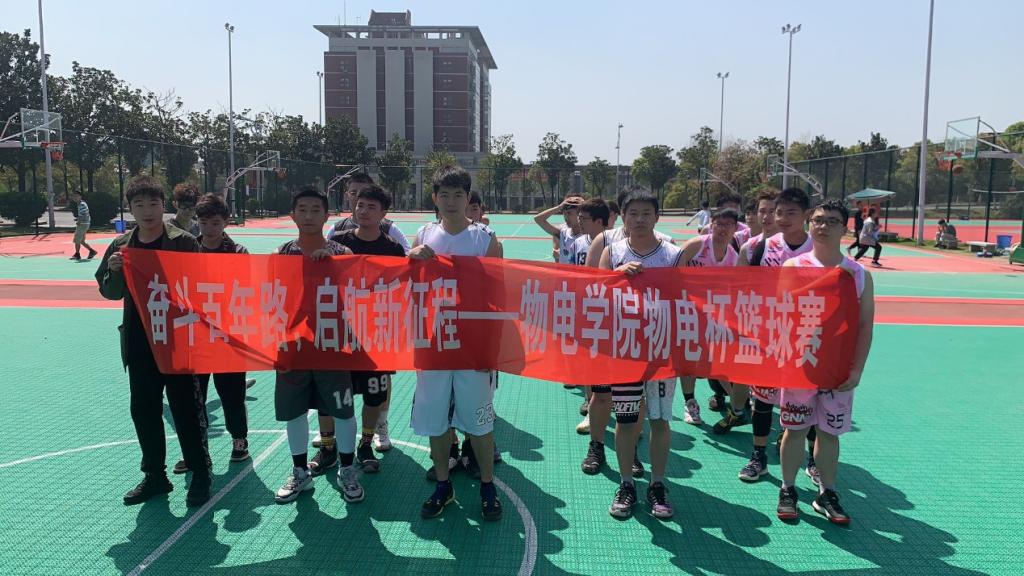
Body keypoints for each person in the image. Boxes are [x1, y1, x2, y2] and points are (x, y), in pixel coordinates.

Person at [95, 175, 211, 507]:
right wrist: (115, 271)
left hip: (177, 340)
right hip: (140, 339)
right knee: (144, 409)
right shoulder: (121, 246)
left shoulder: (184, 242)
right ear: (130, 209)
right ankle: (155, 476)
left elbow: (202, 285)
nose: (147, 211)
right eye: (139, 204)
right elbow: (109, 292)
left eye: (153, 203)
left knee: (185, 409)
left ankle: (200, 472)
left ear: (164, 206)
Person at [408, 165, 503, 520]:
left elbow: (497, 296)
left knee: (480, 421)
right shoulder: (423, 235)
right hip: (434, 343)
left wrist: (490, 350)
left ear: (468, 198)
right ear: (434, 198)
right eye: (444, 195)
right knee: (436, 421)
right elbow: (408, 286)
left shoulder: (485, 240)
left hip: (472, 346)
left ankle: (488, 486)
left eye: (458, 195)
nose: (451, 201)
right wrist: (410, 260)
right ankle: (443, 485)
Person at [777, 199, 875, 525]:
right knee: (794, 429)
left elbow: (864, 325)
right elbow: (779, 316)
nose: (823, 226)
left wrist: (856, 369)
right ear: (810, 224)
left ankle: (826, 492)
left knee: (829, 433)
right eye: (818, 220)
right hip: (801, 366)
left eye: (832, 221)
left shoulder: (857, 275)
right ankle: (788, 488)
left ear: (845, 228)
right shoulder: (793, 268)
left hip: (838, 371)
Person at [711, 187, 818, 485]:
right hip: (767, 335)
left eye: (789, 212)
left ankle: (813, 459)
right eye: (776, 212)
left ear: (806, 215)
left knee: (807, 399)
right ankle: (758, 456)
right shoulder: (757, 248)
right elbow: (739, 289)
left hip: (806, 336)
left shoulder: (818, 248)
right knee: (763, 399)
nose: (780, 218)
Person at [272, 186, 364, 505]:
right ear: (292, 215)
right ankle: (300, 473)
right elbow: (271, 299)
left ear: (326, 216)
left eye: (315, 210)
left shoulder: (342, 253)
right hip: (293, 345)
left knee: (342, 410)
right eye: (302, 209)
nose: (308, 215)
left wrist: (334, 267)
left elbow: (357, 293)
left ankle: (347, 470)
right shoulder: (282, 254)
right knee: (294, 411)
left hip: (332, 346)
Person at [599, 189, 683, 520]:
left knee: (660, 420)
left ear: (657, 217)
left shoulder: (673, 254)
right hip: (625, 350)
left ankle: (657, 484)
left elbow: (685, 299)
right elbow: (596, 296)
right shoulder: (613, 253)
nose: (639, 219)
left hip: (661, 352)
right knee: (626, 420)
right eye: (632, 213)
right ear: (622, 216)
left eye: (646, 213)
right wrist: (617, 277)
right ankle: (626, 484)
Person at [316, 172, 408, 455]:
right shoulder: (336, 242)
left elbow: (402, 285)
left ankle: (368, 440)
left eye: (371, 207)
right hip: (342, 330)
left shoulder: (393, 248)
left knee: (374, 393)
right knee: (336, 390)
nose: (363, 211)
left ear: (383, 213)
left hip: (375, 332)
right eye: (360, 205)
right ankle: (331, 443)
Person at [170, 194, 251, 475]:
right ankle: (195, 449)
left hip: (229, 335)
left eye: (215, 223)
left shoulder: (238, 252)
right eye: (203, 222)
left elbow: (247, 288)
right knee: (195, 396)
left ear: (226, 222)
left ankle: (239, 440)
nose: (209, 228)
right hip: (196, 335)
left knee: (232, 393)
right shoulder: (188, 250)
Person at [677, 208, 740, 425]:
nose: (722, 229)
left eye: (728, 225)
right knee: (690, 358)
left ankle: (737, 402)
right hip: (689, 312)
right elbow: (674, 267)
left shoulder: (733, 257)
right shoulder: (697, 245)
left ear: (735, 228)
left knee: (718, 358)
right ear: (711, 224)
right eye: (719, 224)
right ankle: (690, 403)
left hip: (716, 315)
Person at [569, 198, 612, 435]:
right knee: (587, 361)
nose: (579, 222)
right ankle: (590, 405)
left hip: (609, 312)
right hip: (585, 309)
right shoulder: (578, 242)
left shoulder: (615, 243)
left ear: (599, 221)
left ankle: (621, 411)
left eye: (584, 219)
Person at [327, 172, 411, 252]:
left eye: (364, 192)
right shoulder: (337, 232)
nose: (357, 197)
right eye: (353, 193)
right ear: (346, 195)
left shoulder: (390, 232)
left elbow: (407, 255)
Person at [533, 195, 585, 263]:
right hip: (563, 270)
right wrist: (559, 207)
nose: (566, 217)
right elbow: (538, 219)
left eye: (569, 213)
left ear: (579, 214)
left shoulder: (588, 235)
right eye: (564, 213)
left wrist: (585, 206)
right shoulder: (562, 233)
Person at [69, 189, 98, 260]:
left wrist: (79, 221)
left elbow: (83, 214)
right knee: (81, 241)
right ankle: (92, 251)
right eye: (74, 196)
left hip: (83, 224)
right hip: (85, 224)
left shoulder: (82, 204)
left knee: (77, 239)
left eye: (77, 196)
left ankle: (77, 254)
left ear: (80, 196)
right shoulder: (80, 204)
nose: (75, 198)